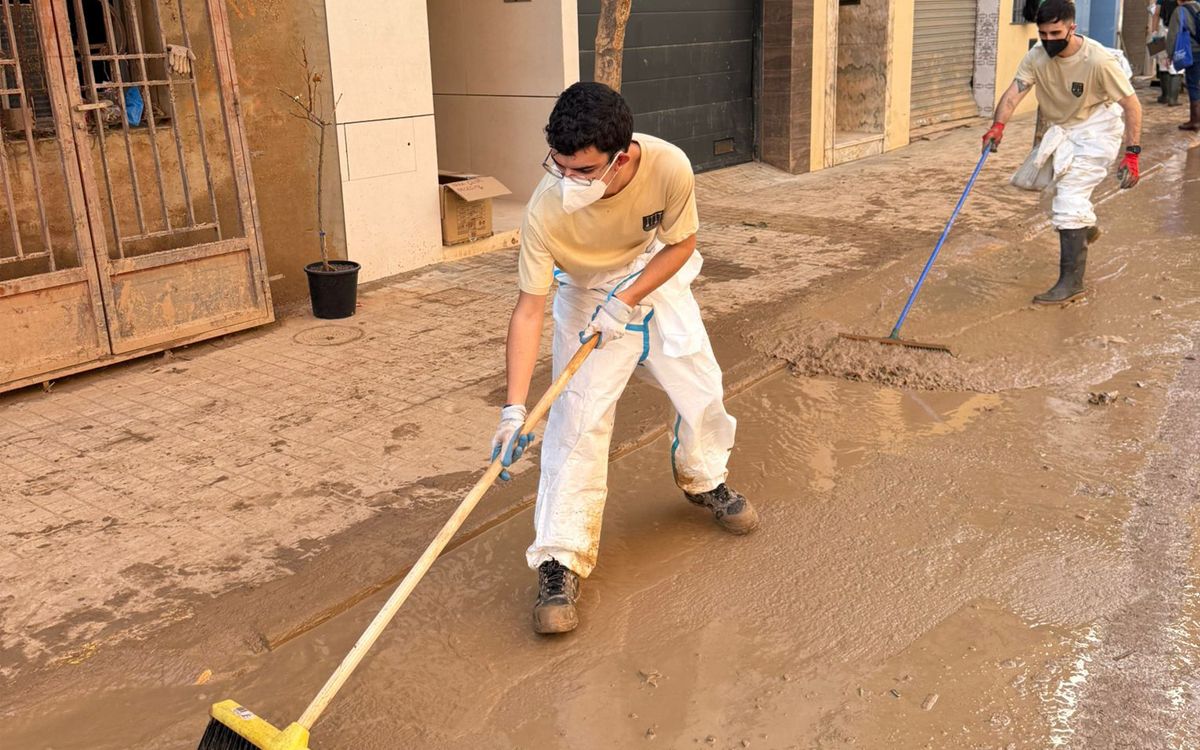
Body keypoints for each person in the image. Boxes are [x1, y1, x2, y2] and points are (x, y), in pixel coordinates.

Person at [491, 82, 759, 635]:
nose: (569, 182)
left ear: (622, 156)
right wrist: (513, 409)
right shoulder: (546, 209)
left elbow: (682, 244)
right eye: (559, 166)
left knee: (702, 390)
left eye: (584, 171)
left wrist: (627, 298)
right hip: (582, 293)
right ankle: (560, 559)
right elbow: (528, 311)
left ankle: (704, 478)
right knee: (577, 421)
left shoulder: (669, 166)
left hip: (652, 276)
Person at [984, 0, 1142, 304]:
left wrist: (1132, 153)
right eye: (1042, 33)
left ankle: (1071, 284)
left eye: (1056, 33)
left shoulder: (1097, 60)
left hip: (1098, 127)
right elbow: (1014, 92)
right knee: (1057, 194)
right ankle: (1085, 228)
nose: (1048, 40)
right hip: (1064, 127)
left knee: (1069, 198)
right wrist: (998, 126)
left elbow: (1132, 105)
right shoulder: (1036, 56)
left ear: (1072, 28)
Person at [1167, 0, 1200, 129]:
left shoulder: (1179, 11)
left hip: (1191, 52)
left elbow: (1173, 35)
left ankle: (1195, 120)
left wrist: (1170, 54)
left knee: (1193, 85)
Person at [1153, 0, 1185, 105]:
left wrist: (1154, 32)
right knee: (1177, 65)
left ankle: (1165, 96)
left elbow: (1156, 14)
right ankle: (1173, 99)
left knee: (1162, 63)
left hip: (1160, 31)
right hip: (1179, 33)